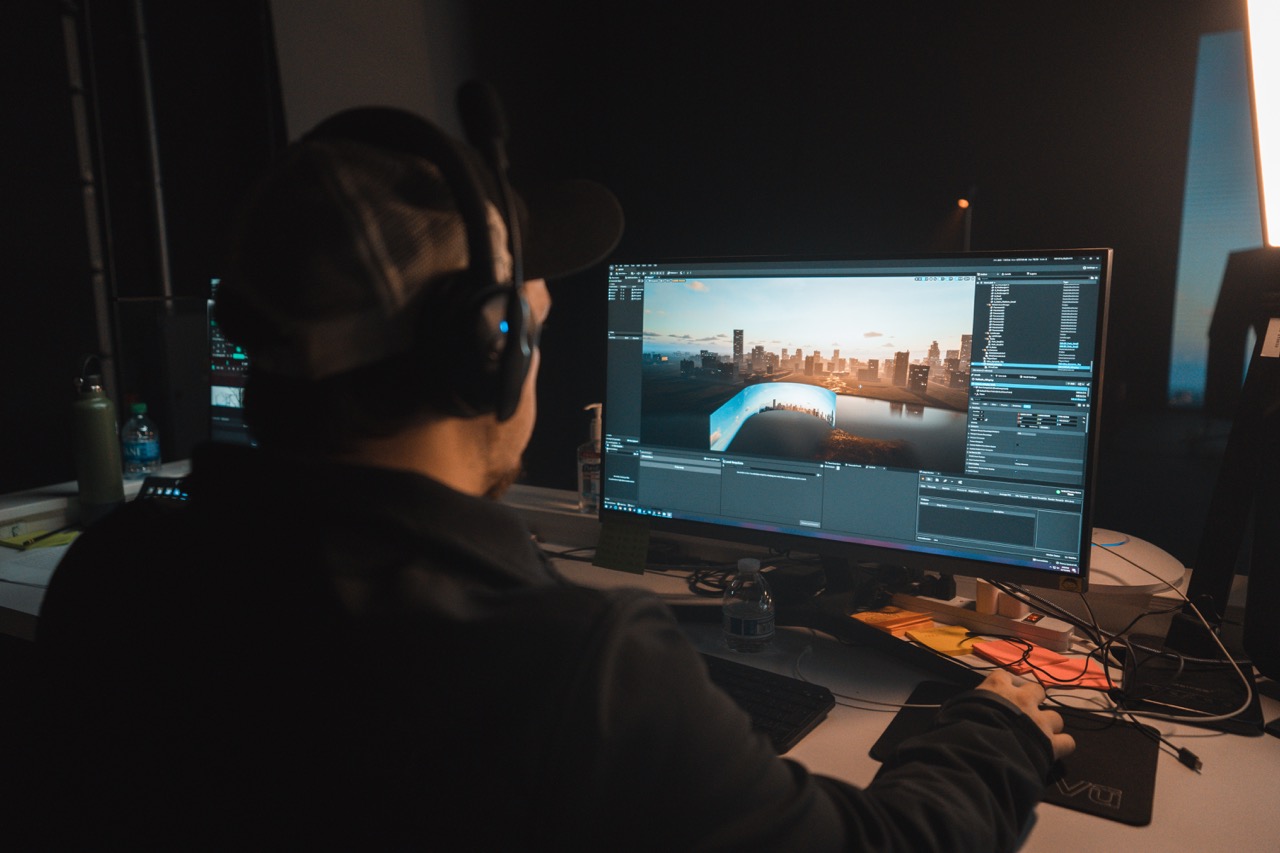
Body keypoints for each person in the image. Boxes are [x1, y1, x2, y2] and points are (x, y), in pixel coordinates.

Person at [32, 92, 1072, 851]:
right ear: (488, 354)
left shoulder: (118, 568)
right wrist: (994, 731)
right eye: (529, 311)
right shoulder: (569, 669)